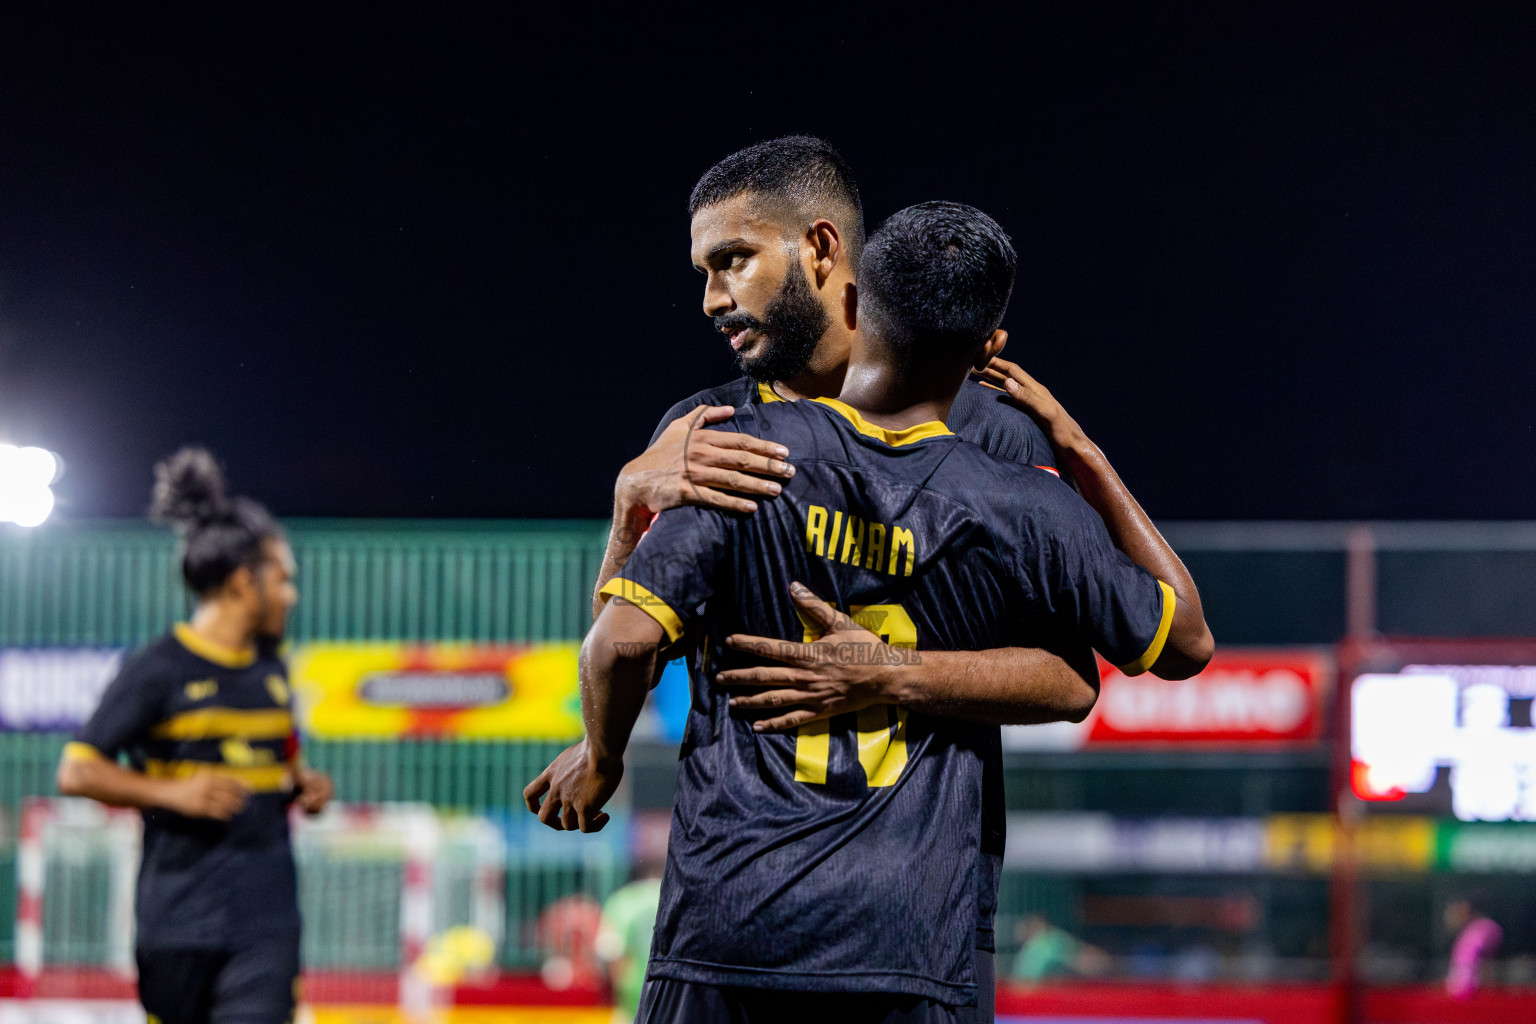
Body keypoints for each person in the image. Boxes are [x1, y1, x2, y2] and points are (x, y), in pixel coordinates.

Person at [527, 201, 1213, 1021]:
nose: (713, 297)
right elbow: (1167, 651)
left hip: (735, 923)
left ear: (851, 298)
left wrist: (602, 757)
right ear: (988, 347)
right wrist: (1085, 455)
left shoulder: (732, 449)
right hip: (912, 936)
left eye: (731, 260)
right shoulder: (1028, 499)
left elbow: (619, 646)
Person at [56, 448, 333, 1024]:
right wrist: (173, 793)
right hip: (178, 924)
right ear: (241, 582)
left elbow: (281, 756)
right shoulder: (158, 668)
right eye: (282, 579)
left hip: (267, 922)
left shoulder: (272, 671)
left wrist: (300, 783)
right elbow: (76, 769)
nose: (291, 595)